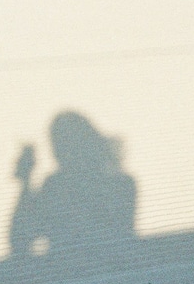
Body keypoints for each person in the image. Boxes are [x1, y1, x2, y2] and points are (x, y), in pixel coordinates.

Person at [10, 110, 136, 259]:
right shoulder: (54, 186)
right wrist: (26, 181)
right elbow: (21, 240)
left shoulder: (120, 186)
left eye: (63, 143)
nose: (57, 151)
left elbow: (112, 239)